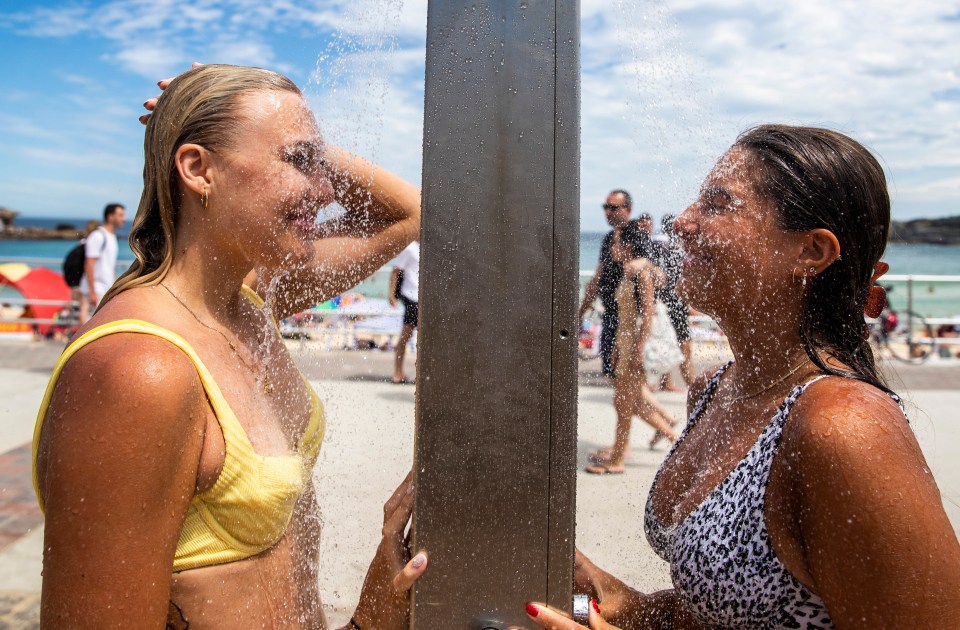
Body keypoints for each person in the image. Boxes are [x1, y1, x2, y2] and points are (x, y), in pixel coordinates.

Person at [32, 64, 427, 629]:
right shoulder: (139, 369)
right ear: (197, 168)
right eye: (298, 162)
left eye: (321, 166)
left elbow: (412, 213)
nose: (324, 190)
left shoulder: (249, 303)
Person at [522, 125, 960, 628]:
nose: (681, 222)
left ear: (811, 252)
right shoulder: (715, 391)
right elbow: (718, 612)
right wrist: (593, 587)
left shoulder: (843, 430)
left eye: (717, 203)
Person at [585, 225, 680, 475]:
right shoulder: (630, 271)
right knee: (626, 403)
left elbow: (647, 314)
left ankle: (618, 459)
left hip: (635, 345)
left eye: (617, 244)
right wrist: (617, 346)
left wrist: (637, 350)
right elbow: (624, 315)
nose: (612, 249)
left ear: (627, 246)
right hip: (625, 343)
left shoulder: (641, 273)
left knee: (625, 404)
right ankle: (668, 438)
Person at [578, 190, 633, 379]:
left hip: (630, 319)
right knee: (611, 374)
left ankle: (657, 410)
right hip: (611, 316)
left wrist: (627, 260)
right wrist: (581, 311)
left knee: (628, 379)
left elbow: (653, 274)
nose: (608, 212)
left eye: (613, 208)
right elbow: (596, 279)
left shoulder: (635, 235)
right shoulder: (609, 239)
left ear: (628, 209)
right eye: (606, 207)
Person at [653, 214, 694, 392]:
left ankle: (668, 382)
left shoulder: (662, 249)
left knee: (671, 344)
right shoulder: (673, 250)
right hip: (674, 304)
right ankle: (692, 386)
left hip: (672, 303)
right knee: (682, 345)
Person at [78, 203, 126, 324]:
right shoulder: (98, 236)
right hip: (95, 289)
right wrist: (92, 291)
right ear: (110, 216)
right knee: (90, 325)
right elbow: (89, 264)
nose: (123, 219)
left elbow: (108, 265)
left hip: (105, 289)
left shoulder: (111, 237)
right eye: (120, 215)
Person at [388, 240, 420, 384]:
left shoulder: (431, 247)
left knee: (425, 340)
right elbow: (396, 270)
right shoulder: (410, 248)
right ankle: (397, 372)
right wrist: (391, 294)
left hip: (425, 298)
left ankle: (422, 375)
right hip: (412, 296)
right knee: (406, 335)